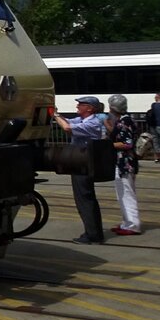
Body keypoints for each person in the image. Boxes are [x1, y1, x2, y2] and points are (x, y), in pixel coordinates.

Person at [52, 96, 108, 244]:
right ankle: (94, 232)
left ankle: (93, 235)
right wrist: (57, 113)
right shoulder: (84, 120)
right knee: (85, 199)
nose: (77, 107)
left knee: (85, 199)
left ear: (89, 108)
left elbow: (67, 128)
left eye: (80, 105)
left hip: (84, 165)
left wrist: (55, 115)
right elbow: (68, 122)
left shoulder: (93, 123)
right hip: (80, 163)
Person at [107, 94, 141, 235]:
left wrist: (108, 145)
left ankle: (133, 224)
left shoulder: (123, 122)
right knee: (123, 193)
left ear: (113, 108)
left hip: (124, 163)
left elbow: (127, 143)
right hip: (126, 162)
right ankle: (127, 222)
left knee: (126, 193)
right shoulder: (126, 120)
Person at [148, 92, 160, 163]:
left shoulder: (153, 105)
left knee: (155, 142)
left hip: (154, 126)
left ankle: (157, 158)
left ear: (157, 98)